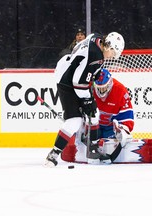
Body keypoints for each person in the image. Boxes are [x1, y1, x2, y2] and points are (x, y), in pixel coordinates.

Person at [45, 32, 125, 167]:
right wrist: (87, 100)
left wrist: (95, 71)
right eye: (113, 53)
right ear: (109, 47)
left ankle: (93, 150)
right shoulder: (95, 55)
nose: (112, 57)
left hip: (69, 69)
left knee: (94, 113)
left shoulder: (97, 38)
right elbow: (78, 82)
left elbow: (88, 40)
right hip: (66, 81)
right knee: (75, 120)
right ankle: (53, 154)